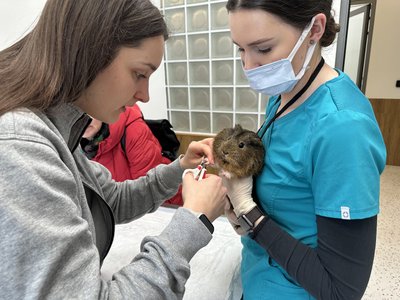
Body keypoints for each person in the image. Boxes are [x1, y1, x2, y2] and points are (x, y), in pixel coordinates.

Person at [0, 0, 227, 299]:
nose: (144, 96)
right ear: (91, 52)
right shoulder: (19, 148)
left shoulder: (60, 129)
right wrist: (192, 220)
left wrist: (179, 168)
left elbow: (109, 200)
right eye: (139, 74)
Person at [221, 1, 387, 299]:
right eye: (240, 49)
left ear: (315, 29)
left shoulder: (343, 130)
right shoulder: (286, 92)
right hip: (258, 274)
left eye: (263, 49)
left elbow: (340, 291)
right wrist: (238, 204)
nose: (248, 66)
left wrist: (251, 213)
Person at [80, 104, 183, 206]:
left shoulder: (134, 131)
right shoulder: (70, 144)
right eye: (75, 109)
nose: (83, 117)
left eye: (89, 108)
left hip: (163, 207)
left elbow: (152, 192)